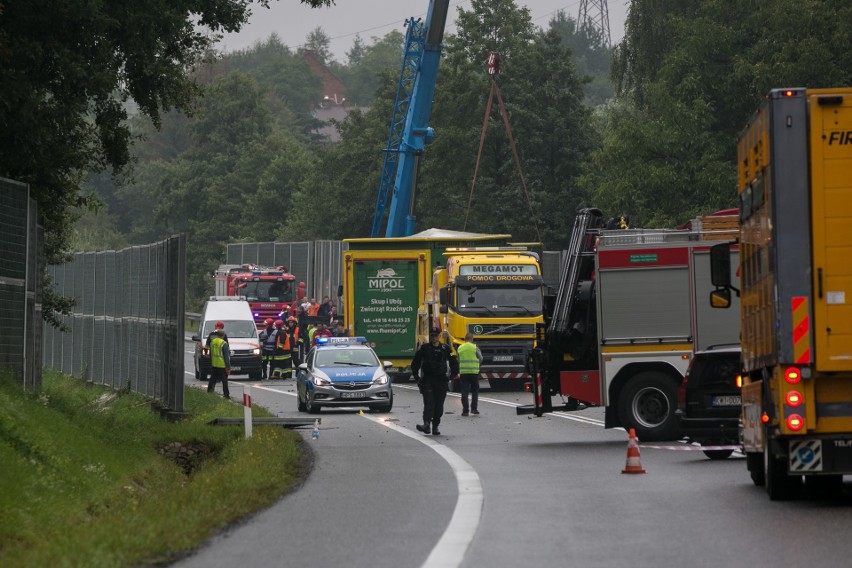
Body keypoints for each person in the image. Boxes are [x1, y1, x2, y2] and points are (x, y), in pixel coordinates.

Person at [411, 327, 459, 436]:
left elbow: (454, 362)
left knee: (439, 406)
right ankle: (426, 424)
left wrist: (451, 377)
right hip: (428, 380)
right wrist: (416, 378)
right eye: (432, 336)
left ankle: (435, 426)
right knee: (428, 403)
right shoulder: (424, 348)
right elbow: (415, 363)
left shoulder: (446, 348)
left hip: (441, 381)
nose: (433, 338)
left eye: (435, 336)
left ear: (439, 336)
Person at [457, 333, 483, 416]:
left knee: (464, 392)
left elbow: (458, 359)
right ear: (472, 339)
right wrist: (477, 364)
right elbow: (481, 358)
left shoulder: (460, 348)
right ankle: (474, 409)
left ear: (465, 339)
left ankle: (465, 411)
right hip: (473, 372)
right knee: (475, 391)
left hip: (463, 373)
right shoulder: (475, 347)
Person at [207, 327, 231, 399]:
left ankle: (209, 392)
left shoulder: (213, 342)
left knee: (212, 380)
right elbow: (226, 357)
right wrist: (228, 367)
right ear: (223, 335)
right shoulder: (224, 344)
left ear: (217, 335)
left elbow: (210, 354)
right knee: (224, 381)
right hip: (222, 365)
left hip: (214, 364)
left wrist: (211, 362)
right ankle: (226, 395)